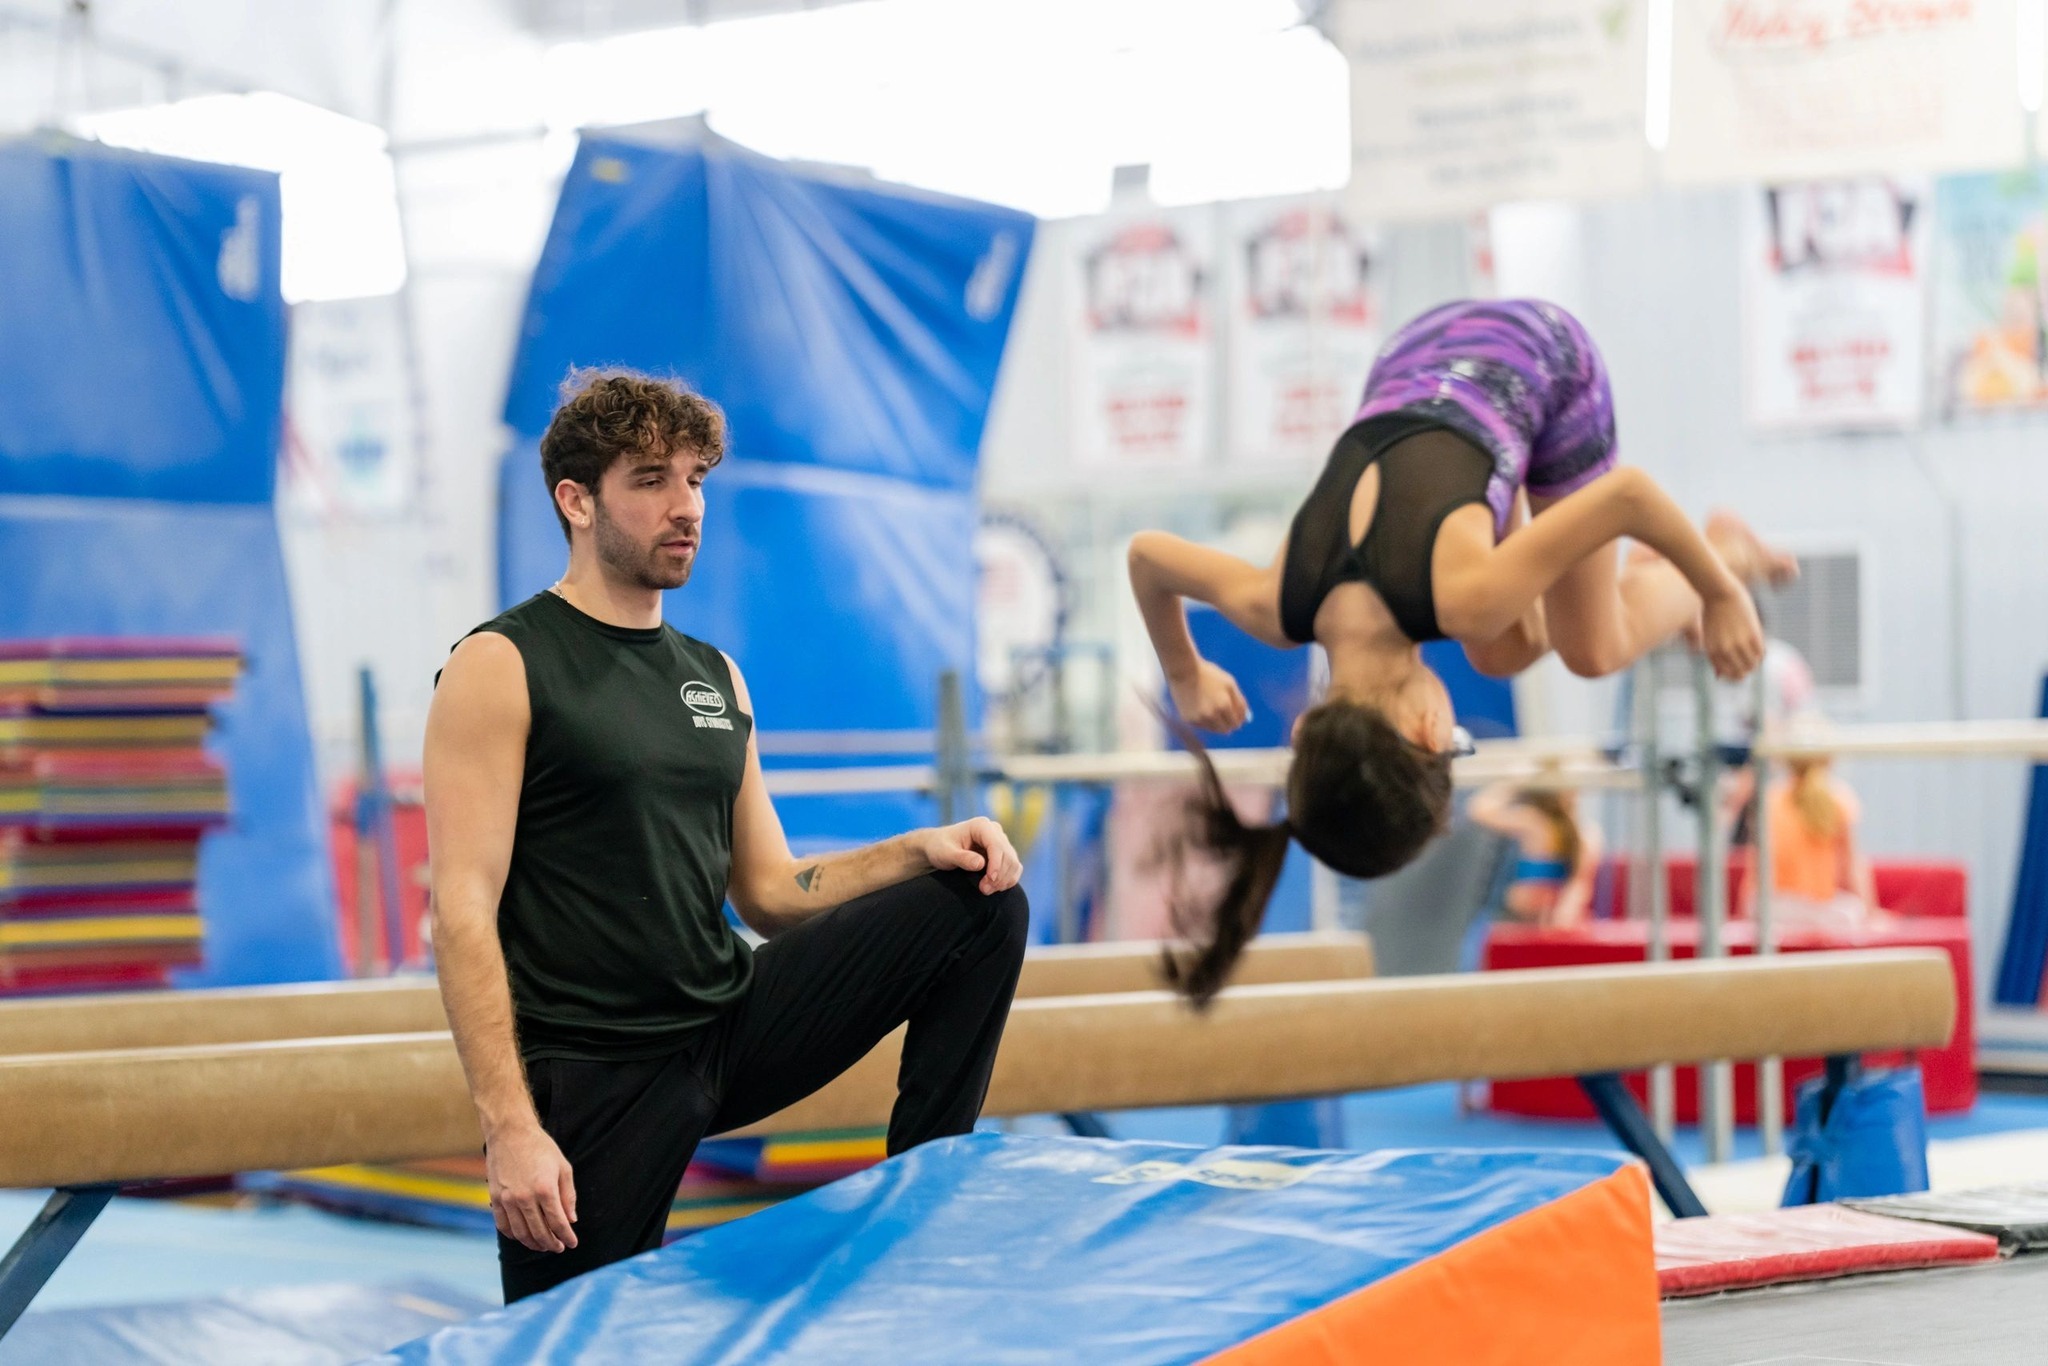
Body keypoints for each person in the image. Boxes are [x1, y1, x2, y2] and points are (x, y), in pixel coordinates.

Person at [424, 371, 1029, 1303]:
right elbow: (461, 909)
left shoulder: (715, 677)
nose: (686, 507)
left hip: (729, 1023)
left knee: (981, 901)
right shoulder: (500, 665)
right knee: (577, 1343)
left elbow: (774, 893)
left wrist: (919, 851)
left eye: (696, 480)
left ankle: (925, 1201)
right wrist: (510, 1127)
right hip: (596, 1067)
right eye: (652, 480)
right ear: (576, 501)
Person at [1126, 298, 1795, 1000]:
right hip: (1412, 352)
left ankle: (1727, 550)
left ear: (1426, 732)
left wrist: (1720, 593)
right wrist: (1188, 673)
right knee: (1502, 652)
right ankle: (1643, 580)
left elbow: (1629, 496)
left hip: (1540, 358)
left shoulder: (1466, 595)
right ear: (1305, 728)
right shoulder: (1276, 604)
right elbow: (1147, 558)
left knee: (1593, 648)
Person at [1761, 753, 1877, 928]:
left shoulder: (1770, 798)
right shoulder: (1838, 798)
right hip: (1818, 910)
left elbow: (1757, 867)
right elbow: (1851, 865)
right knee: (1853, 911)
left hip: (1773, 909)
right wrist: (1871, 915)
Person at [1467, 781, 1602, 927]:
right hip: (1524, 916)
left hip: (1545, 917)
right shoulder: (1535, 821)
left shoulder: (1583, 835)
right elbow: (1478, 811)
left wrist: (1516, 783)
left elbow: (1478, 810)